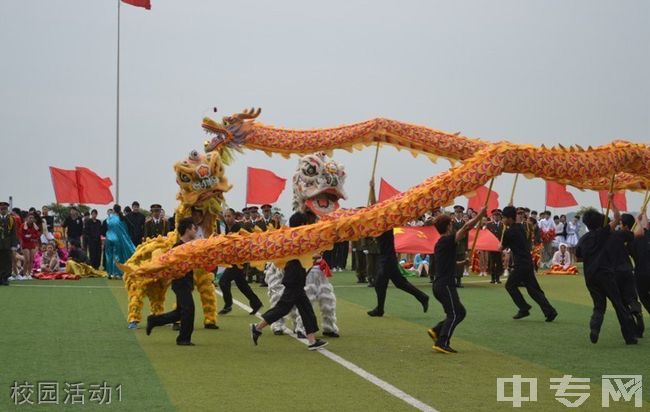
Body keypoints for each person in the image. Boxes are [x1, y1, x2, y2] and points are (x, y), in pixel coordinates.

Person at [250, 211, 328, 350]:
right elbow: (301, 255)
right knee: (283, 308)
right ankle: (257, 327)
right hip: (294, 277)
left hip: (296, 277)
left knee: (306, 310)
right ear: (302, 224)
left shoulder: (293, 237)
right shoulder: (296, 238)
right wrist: (314, 255)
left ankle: (311, 341)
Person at [576, 204, 638, 344]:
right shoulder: (602, 233)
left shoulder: (583, 238)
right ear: (599, 222)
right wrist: (612, 201)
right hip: (605, 274)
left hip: (590, 276)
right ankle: (629, 337)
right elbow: (617, 217)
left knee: (599, 306)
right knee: (618, 305)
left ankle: (595, 327)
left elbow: (578, 255)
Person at [428, 207, 486, 354]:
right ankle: (442, 342)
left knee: (460, 312)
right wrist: (480, 215)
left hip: (440, 285)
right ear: (448, 226)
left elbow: (448, 263)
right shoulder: (447, 240)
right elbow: (467, 227)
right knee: (453, 314)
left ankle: (436, 330)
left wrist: (462, 263)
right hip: (445, 285)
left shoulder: (440, 243)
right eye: (451, 224)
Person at [146, 217, 197, 346]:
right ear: (187, 229)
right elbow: (171, 266)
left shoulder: (190, 246)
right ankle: (183, 339)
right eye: (194, 228)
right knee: (189, 309)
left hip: (187, 282)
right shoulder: (178, 247)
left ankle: (154, 320)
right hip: (180, 283)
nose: (196, 230)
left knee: (179, 313)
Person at [501, 206, 558, 321]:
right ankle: (550, 311)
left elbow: (501, 247)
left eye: (504, 218)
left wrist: (501, 238)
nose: (502, 220)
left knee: (510, 285)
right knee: (533, 290)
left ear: (509, 218)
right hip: (527, 262)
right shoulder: (521, 227)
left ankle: (524, 308)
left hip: (521, 264)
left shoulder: (509, 232)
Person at [367, 227, 429, 317]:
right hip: (388, 258)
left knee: (380, 284)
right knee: (400, 283)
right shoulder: (384, 227)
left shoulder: (385, 227)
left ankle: (380, 309)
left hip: (387, 259)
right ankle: (422, 297)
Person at [217, 208, 263, 315]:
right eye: (225, 216)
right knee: (242, 284)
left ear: (234, 216)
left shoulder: (239, 228)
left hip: (239, 261)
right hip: (233, 260)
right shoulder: (227, 228)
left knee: (223, 281)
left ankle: (228, 305)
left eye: (229, 216)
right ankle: (256, 302)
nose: (227, 218)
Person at [104, 204, 136, 279]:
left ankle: (110, 273)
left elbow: (107, 226)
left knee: (109, 255)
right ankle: (117, 273)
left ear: (113, 210)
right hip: (117, 239)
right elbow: (126, 229)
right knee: (117, 256)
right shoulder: (122, 219)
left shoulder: (109, 218)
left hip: (109, 238)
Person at [631, 212, 650, 315]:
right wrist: (644, 215)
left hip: (641, 274)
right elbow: (645, 227)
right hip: (644, 272)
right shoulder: (647, 235)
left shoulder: (631, 241)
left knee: (643, 296)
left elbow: (642, 230)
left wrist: (638, 221)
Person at [0, 201, 18, 286]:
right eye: (1, 209)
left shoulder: (11, 219)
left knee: (7, 261)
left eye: (5, 209)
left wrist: (14, 245)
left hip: (7, 243)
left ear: (7, 210)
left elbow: (14, 233)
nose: (3, 210)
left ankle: (5, 277)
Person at [486, 209, 505, 284]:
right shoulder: (489, 225)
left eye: (498, 216)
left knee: (499, 262)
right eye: (495, 215)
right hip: (491, 247)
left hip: (500, 247)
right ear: (492, 216)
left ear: (500, 217)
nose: (496, 217)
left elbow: (505, 237)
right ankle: (492, 277)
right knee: (491, 262)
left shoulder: (503, 225)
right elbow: (486, 236)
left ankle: (498, 277)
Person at [19, 213, 40, 279]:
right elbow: (21, 235)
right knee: (27, 259)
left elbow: (37, 235)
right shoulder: (23, 225)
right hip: (25, 244)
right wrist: (29, 237)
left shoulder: (35, 226)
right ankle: (24, 274)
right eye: (30, 218)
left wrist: (31, 236)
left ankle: (29, 274)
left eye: (32, 218)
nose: (31, 219)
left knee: (31, 259)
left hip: (32, 243)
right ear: (26, 219)